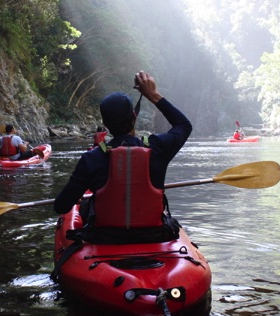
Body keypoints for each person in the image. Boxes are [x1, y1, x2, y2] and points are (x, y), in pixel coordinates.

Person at [53, 71, 192, 238]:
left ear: (105, 124)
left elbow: (61, 207)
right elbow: (184, 125)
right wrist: (153, 95)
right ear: (134, 116)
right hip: (153, 234)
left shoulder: (91, 159)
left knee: (86, 206)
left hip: (105, 237)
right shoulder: (158, 148)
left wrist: (79, 198)